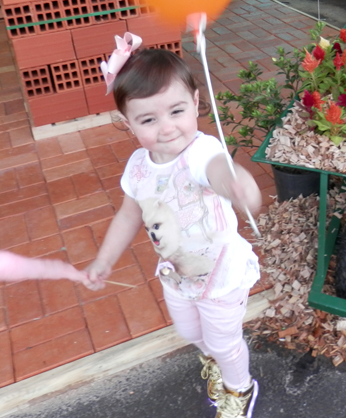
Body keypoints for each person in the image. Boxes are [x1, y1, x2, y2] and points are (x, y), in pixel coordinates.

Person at [84, 32, 262, 418]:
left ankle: (240, 387)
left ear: (197, 103)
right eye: (148, 119)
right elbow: (129, 214)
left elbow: (217, 171)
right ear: (127, 121)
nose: (166, 128)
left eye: (176, 111)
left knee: (223, 339)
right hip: (178, 273)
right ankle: (216, 361)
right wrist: (104, 260)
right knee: (189, 332)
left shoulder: (201, 152)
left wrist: (236, 184)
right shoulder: (138, 166)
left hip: (219, 274)